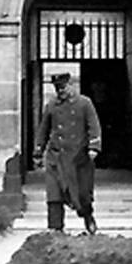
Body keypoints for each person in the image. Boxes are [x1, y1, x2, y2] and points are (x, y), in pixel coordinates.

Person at [33, 72, 102, 234]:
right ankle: (55, 229)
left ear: (71, 85)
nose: (61, 91)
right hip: (56, 157)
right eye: (57, 88)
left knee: (82, 194)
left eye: (63, 87)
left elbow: (94, 126)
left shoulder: (84, 103)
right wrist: (38, 151)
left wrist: (94, 147)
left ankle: (88, 216)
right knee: (54, 194)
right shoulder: (51, 106)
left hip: (79, 157)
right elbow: (43, 130)